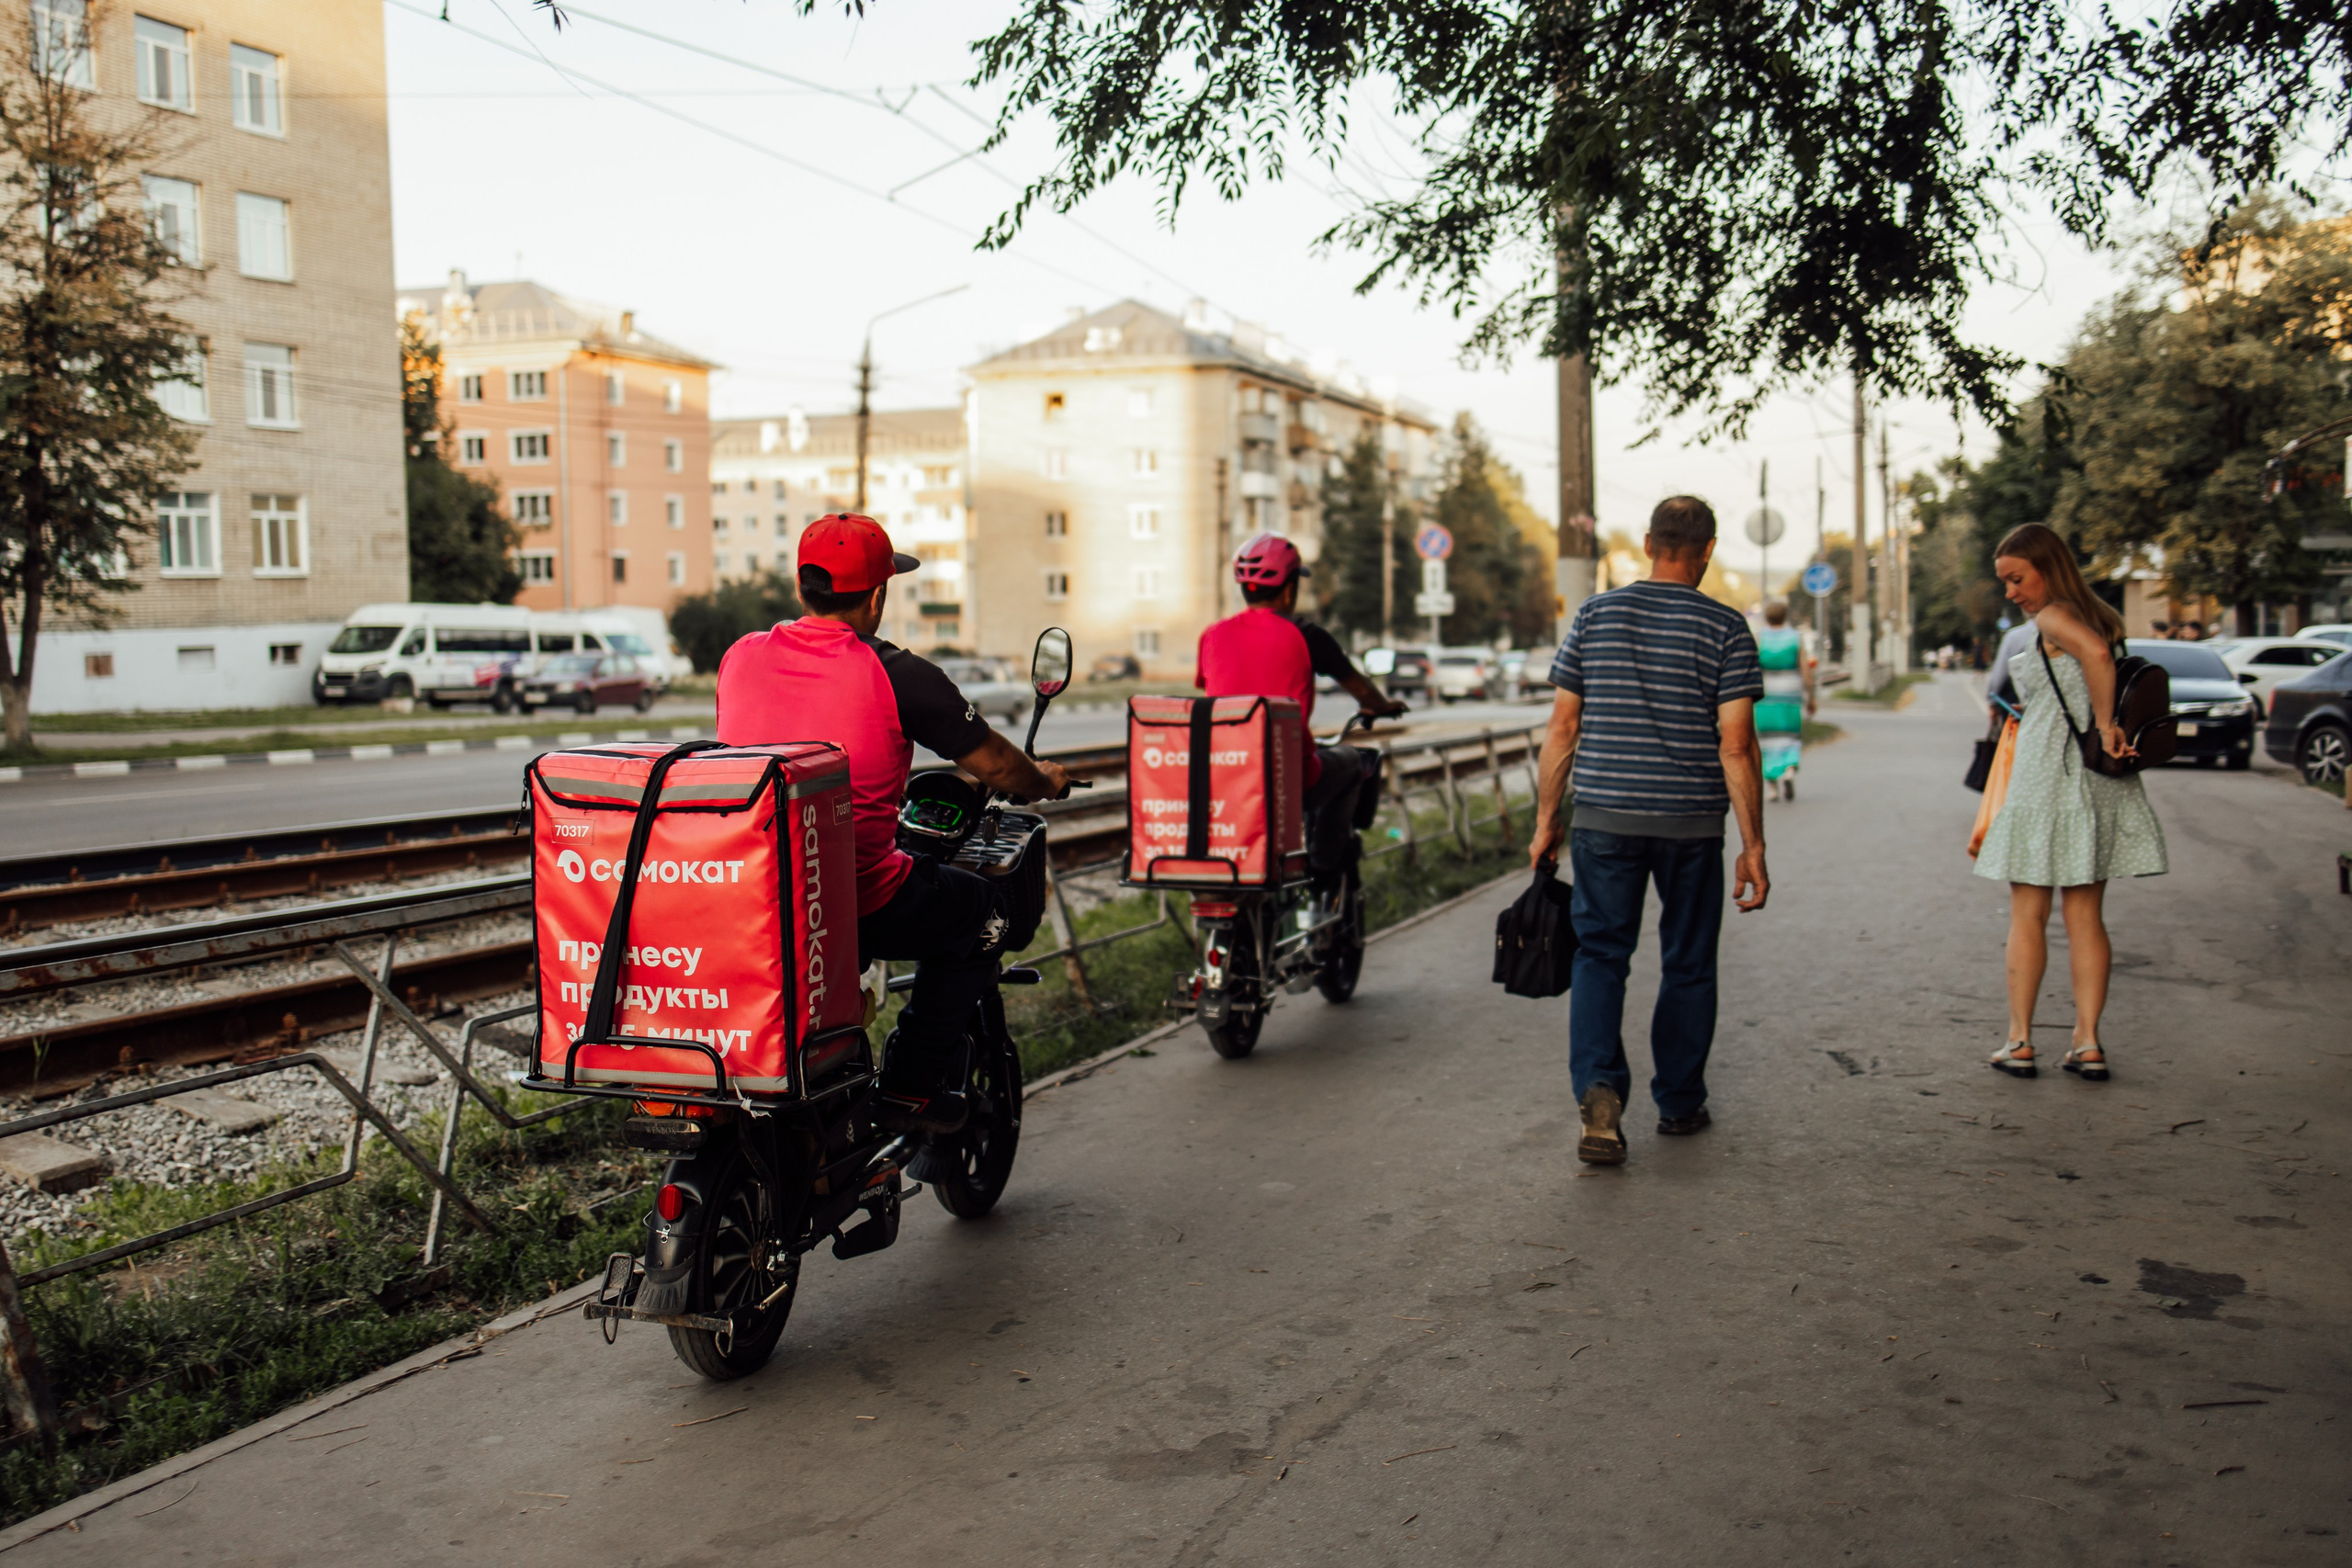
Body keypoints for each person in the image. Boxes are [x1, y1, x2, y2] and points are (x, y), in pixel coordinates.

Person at [716, 513, 1070, 1134]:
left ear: (802, 588)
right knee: (984, 913)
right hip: (857, 897)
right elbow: (995, 763)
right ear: (878, 596)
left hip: (753, 894)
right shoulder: (899, 674)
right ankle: (911, 1084)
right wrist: (1043, 780)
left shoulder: (739, 657)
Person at [1526, 496, 1769, 1167]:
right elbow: (1737, 745)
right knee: (1688, 961)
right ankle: (1680, 1101)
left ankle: (1599, 1091)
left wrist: (1547, 822)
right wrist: (1753, 846)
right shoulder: (1726, 627)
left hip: (1605, 819)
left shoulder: (1595, 615)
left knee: (1600, 956)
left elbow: (1563, 728)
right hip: (1691, 824)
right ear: (1708, 549)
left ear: (1647, 543)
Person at [1971, 523, 2166, 1082]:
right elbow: (2102, 653)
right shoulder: (2098, 614)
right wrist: (2103, 726)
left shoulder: (2054, 618)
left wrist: (2104, 724)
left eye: (2017, 578)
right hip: (2093, 779)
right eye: (2006, 582)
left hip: (2048, 776)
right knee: (2085, 916)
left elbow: (2097, 657)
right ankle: (2087, 1041)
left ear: (2048, 568)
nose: (2011, 592)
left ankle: (2020, 1040)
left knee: (2028, 914)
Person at [1194, 533, 1407, 889]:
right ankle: (1324, 865)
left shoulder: (1213, 635)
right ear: (1290, 588)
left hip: (1228, 773)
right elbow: (1360, 689)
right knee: (1354, 764)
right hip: (1290, 775)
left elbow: (1214, 687)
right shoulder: (1306, 634)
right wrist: (1380, 706)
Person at [1753, 601, 1814, 801]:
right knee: (1791, 736)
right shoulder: (1795, 637)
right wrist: (1811, 697)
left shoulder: (1759, 637)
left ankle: (1772, 789)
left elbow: (1752, 667)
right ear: (1785, 616)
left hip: (1766, 693)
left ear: (1767, 617)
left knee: (1767, 739)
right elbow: (1805, 671)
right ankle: (1789, 770)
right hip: (1790, 691)